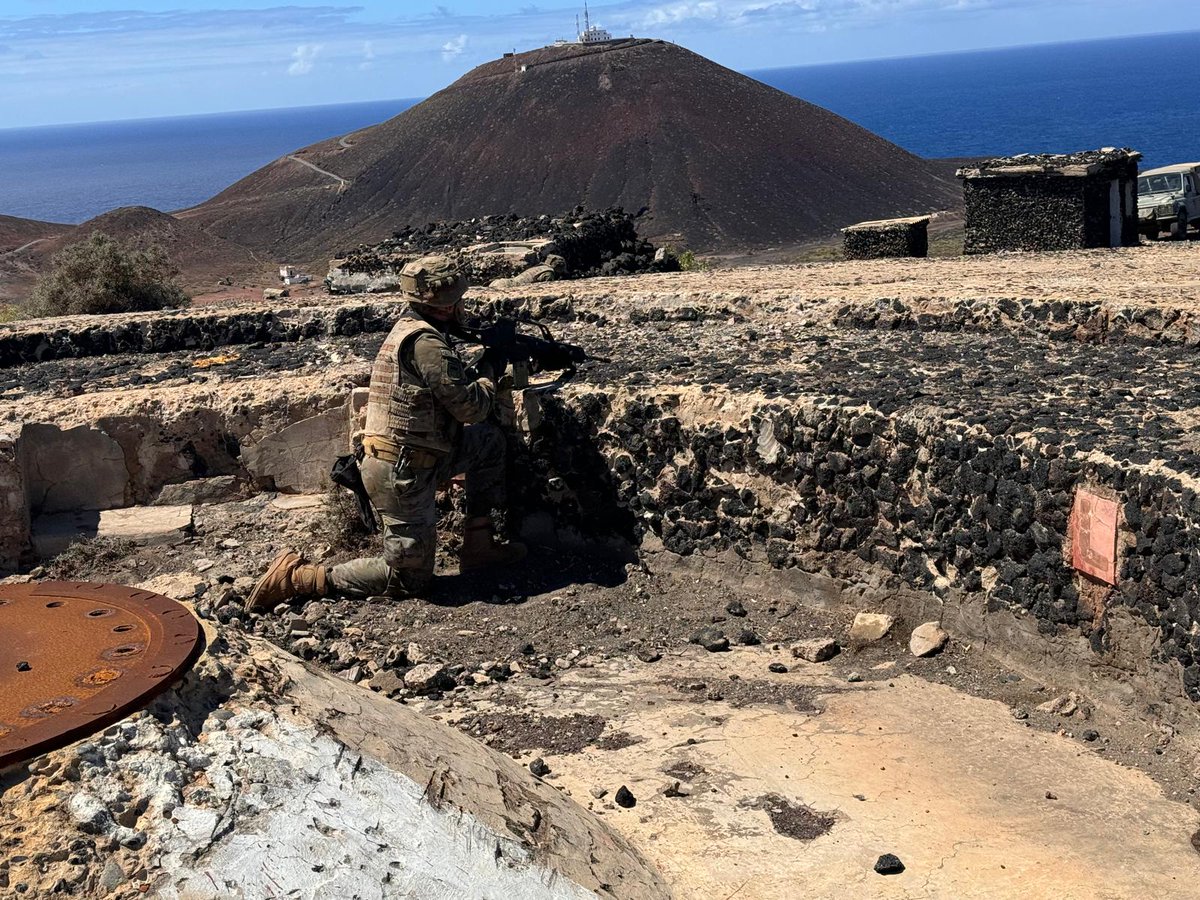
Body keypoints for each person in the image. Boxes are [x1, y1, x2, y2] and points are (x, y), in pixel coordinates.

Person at [246, 255, 526, 611]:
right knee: (409, 580)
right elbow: (471, 408)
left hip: (419, 458)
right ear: (447, 303)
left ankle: (479, 544)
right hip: (401, 473)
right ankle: (301, 578)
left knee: (487, 443)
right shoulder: (426, 344)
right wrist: (491, 365)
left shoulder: (413, 327)